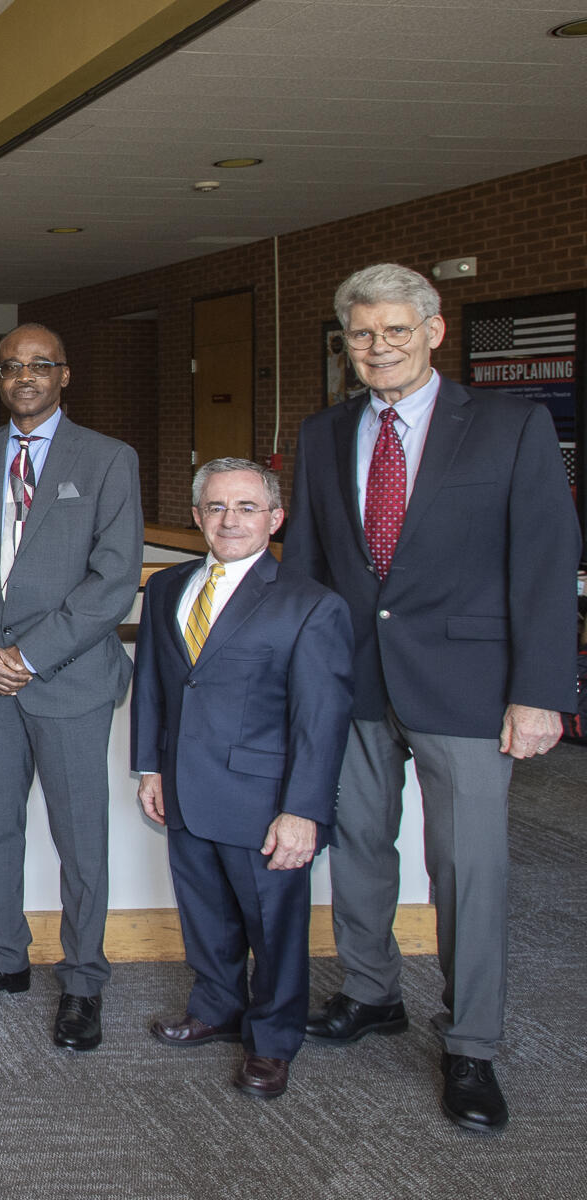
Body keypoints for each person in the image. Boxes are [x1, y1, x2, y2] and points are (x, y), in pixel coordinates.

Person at [281, 263, 580, 1132]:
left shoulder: (509, 426)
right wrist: (302, 676)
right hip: (356, 680)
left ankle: (473, 1043)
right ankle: (373, 993)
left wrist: (539, 693)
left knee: (468, 867)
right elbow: (307, 567)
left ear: (435, 332)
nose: (378, 349)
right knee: (361, 850)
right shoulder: (322, 433)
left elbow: (545, 565)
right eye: (363, 335)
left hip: (471, 686)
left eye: (395, 332)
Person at [0, 322, 143, 1051]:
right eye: (11, 367)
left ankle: (83, 981)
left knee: (81, 841)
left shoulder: (110, 460)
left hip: (69, 680)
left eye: (40, 365)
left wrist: (31, 653)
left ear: (64, 374)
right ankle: (4, 958)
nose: (24, 376)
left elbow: (114, 578)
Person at [132, 458, 354, 1099]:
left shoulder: (311, 606)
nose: (230, 520)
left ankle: (274, 1041)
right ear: (198, 516)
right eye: (217, 508)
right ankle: (216, 1008)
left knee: (274, 929)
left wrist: (303, 811)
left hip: (264, 800)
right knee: (205, 913)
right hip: (183, 786)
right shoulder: (168, 587)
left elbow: (321, 721)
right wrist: (150, 766)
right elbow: (153, 684)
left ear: (275, 518)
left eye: (247, 508)